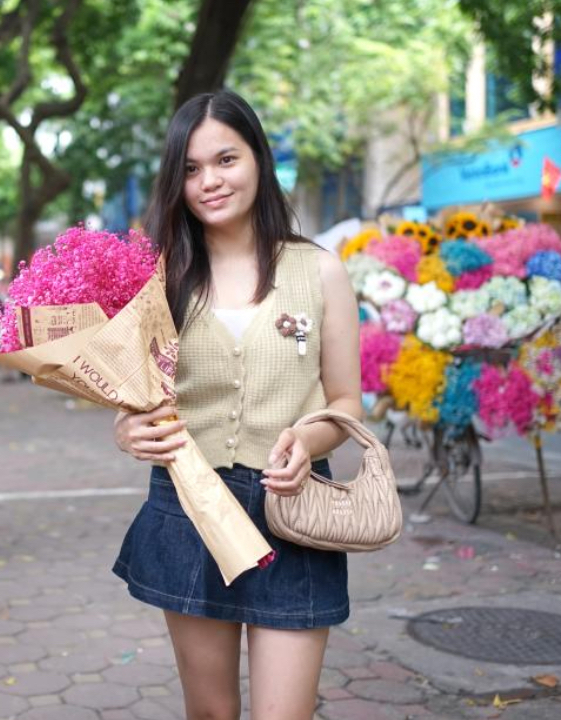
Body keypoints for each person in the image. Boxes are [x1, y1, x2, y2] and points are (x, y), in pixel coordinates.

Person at [111, 90, 363, 720]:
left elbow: (348, 401)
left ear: (258, 158)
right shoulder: (158, 278)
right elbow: (130, 395)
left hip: (295, 511)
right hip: (189, 508)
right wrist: (127, 430)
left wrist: (308, 443)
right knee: (212, 713)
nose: (210, 181)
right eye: (191, 169)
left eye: (226, 159)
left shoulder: (319, 270)